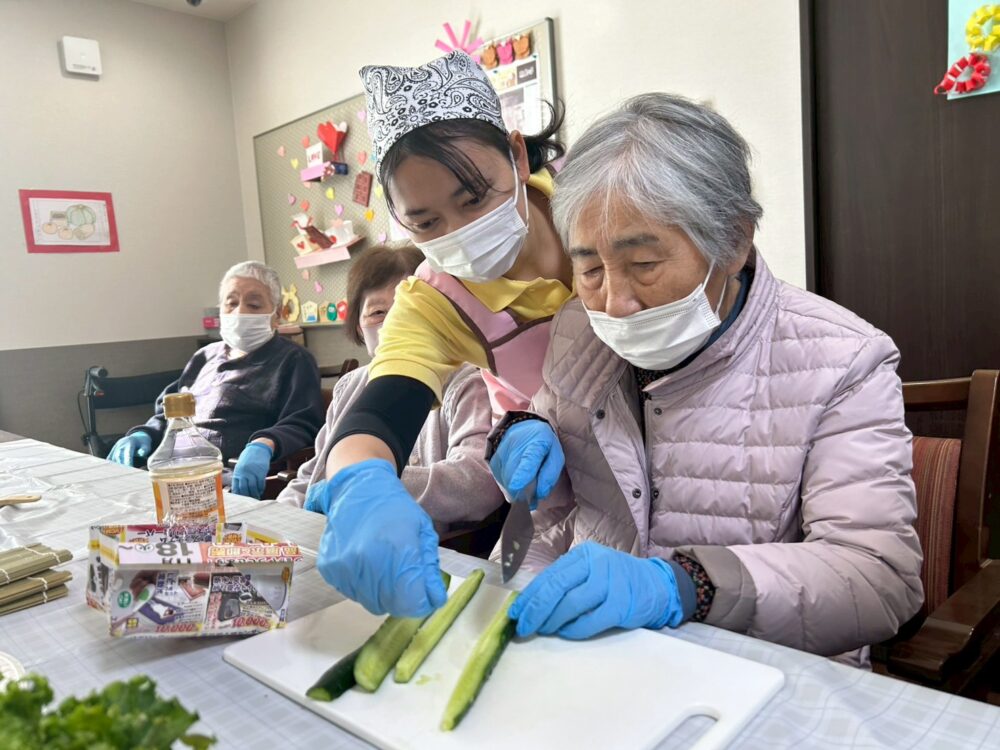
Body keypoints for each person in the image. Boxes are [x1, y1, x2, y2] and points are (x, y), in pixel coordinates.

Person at [487, 94, 923, 665]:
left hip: (762, 673)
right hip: (598, 656)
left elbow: (876, 578)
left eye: (644, 264)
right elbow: (549, 518)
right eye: (589, 268)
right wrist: (523, 430)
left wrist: (687, 585)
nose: (614, 303)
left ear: (734, 240)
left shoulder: (844, 360)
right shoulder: (578, 327)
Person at [309, 50, 573, 617]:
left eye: (474, 197)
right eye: (426, 222)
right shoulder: (434, 301)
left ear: (518, 154)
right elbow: (379, 413)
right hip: (566, 500)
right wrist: (361, 485)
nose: (461, 234)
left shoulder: (598, 205)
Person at [277, 244, 504, 534]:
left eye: (406, 310)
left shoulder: (467, 382)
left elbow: (478, 485)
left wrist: (368, 482)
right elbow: (314, 474)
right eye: (377, 312)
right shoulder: (350, 385)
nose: (394, 323)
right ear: (358, 326)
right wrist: (279, 522)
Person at [107, 261, 325, 500]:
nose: (240, 311)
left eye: (253, 304)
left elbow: (302, 421)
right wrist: (144, 434)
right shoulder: (205, 356)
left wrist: (263, 445)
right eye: (231, 303)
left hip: (231, 480)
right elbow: (171, 412)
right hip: (177, 472)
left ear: (277, 314)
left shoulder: (293, 359)